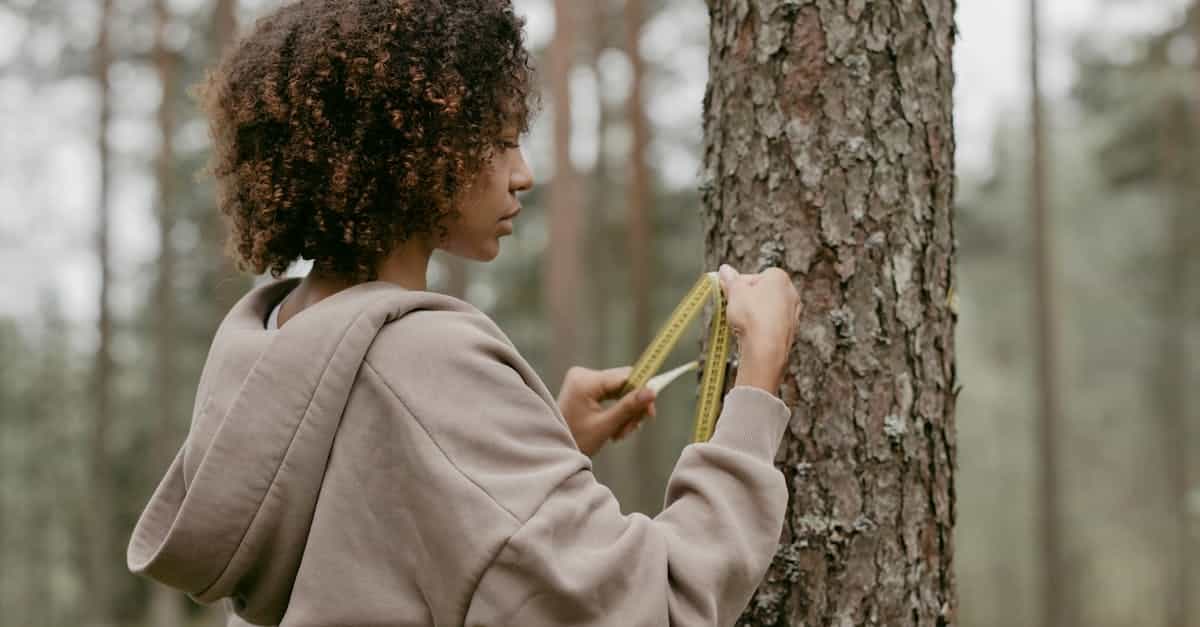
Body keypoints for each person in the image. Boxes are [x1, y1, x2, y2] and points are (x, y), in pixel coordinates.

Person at [126, 0, 802, 625]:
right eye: (497, 139)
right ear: (410, 152)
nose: (523, 173)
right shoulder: (423, 361)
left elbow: (380, 541)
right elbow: (658, 603)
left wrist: (550, 443)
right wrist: (757, 382)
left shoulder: (274, 345)